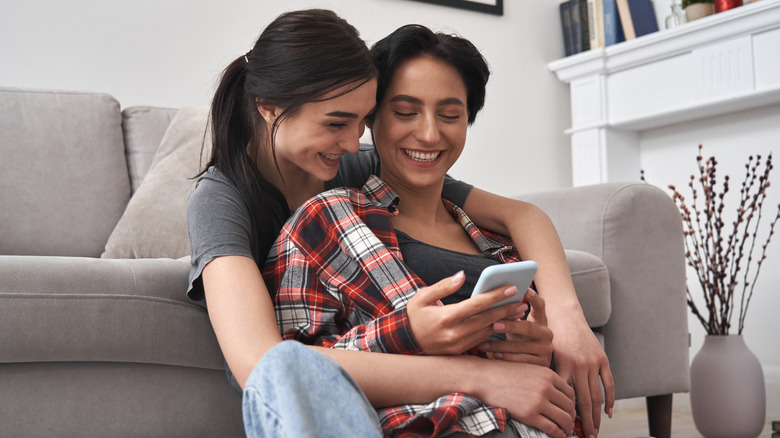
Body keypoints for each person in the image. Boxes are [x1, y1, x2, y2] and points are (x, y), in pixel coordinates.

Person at [186, 8, 611, 438]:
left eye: (362, 121)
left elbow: (520, 214)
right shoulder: (222, 200)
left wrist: (564, 317)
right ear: (269, 109)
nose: (355, 143)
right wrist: (470, 371)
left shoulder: (354, 163)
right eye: (336, 123)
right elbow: (266, 366)